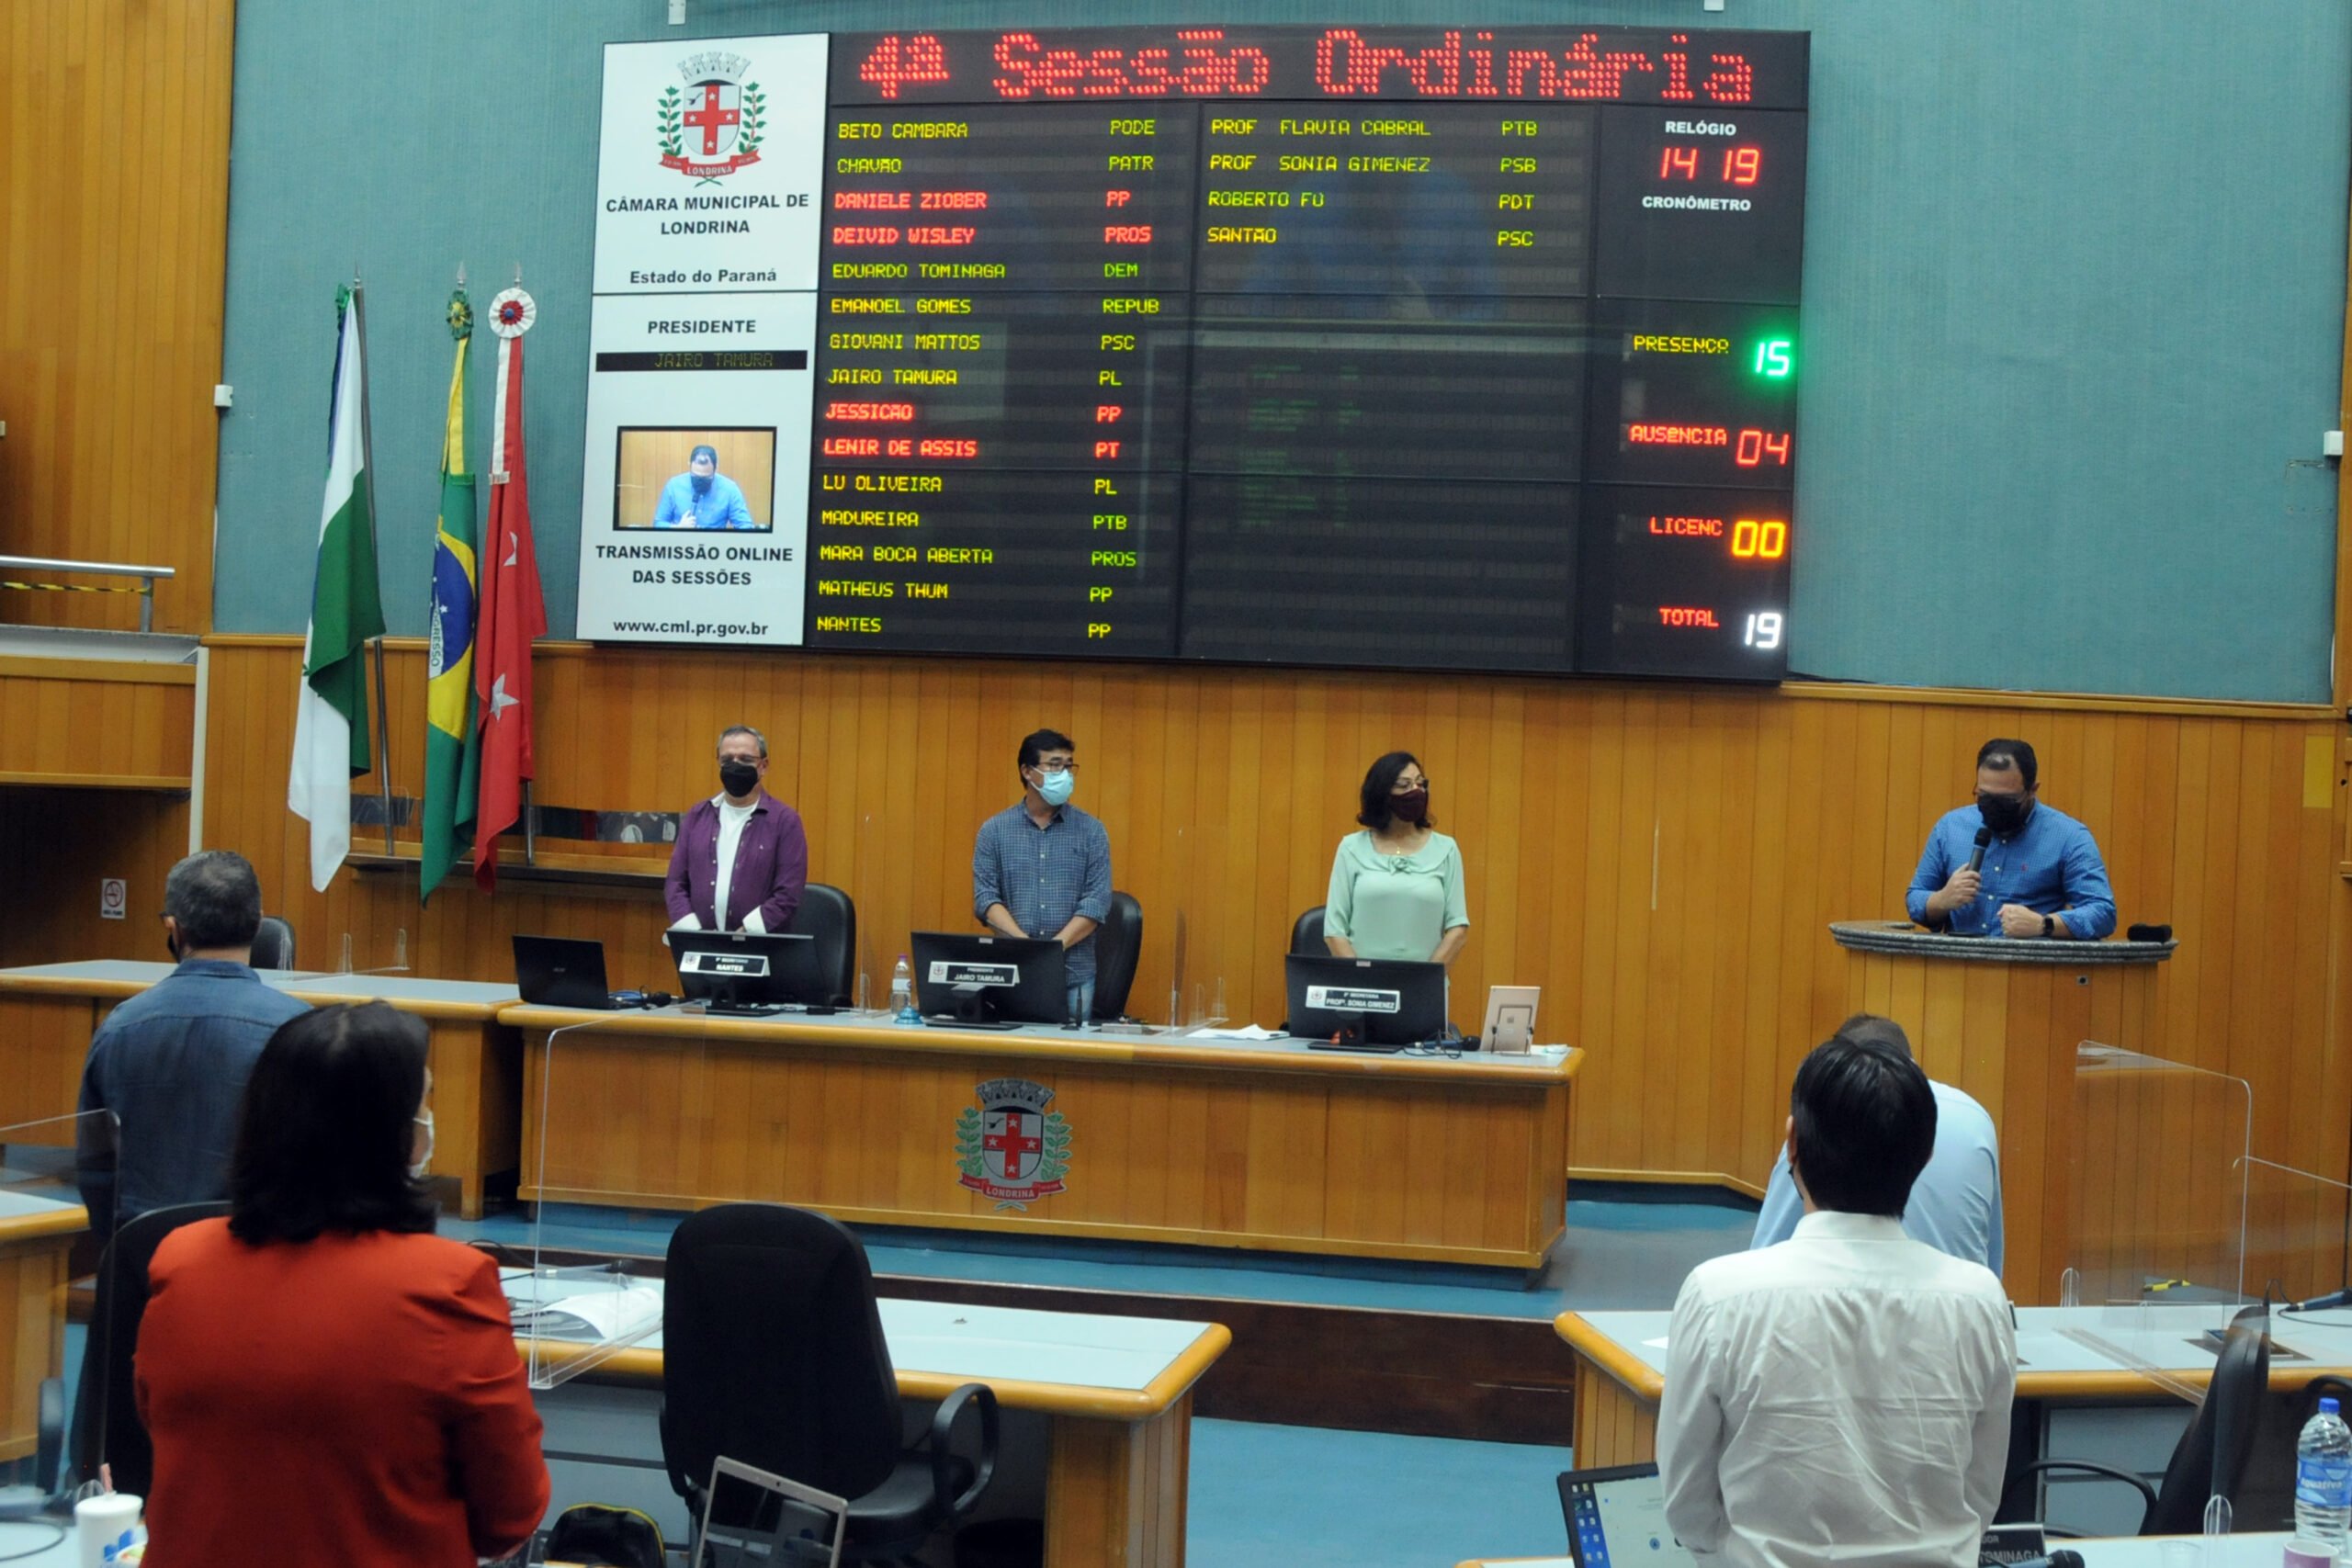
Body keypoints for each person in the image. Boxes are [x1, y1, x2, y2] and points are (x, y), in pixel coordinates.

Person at [136, 1002, 549, 1566]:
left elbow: (160, 1437)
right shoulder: (450, 1284)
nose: (429, 1118)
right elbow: (510, 1514)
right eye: (423, 1101)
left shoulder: (178, 1260)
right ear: (391, 1133)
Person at [1658, 1031, 2015, 1568]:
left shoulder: (1718, 1296)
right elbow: (1979, 1499)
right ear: (1924, 1154)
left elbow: (1687, 1511)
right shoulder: (1982, 1300)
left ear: (1792, 1146)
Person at [75, 849, 310, 1246]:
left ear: (174, 928)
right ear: (257, 922)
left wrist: (118, 1250)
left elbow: (96, 1167)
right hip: (258, 1258)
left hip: (143, 1260)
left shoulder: (118, 1027)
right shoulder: (300, 1029)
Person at [1748, 1013, 2004, 1273]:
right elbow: (1991, 1258)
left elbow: (1767, 1254)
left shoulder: (1824, 1118)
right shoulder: (1975, 1120)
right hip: (1961, 1305)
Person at [1906, 738, 2115, 940]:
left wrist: (2044, 924)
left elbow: (2103, 912)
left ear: (2032, 790)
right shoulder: (1950, 827)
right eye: (1984, 797)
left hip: (2030, 968)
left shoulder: (2068, 837)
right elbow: (1916, 898)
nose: (1994, 807)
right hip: (1958, 966)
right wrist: (1942, 900)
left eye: (2007, 800)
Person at [972, 728, 1113, 1026]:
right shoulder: (994, 831)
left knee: (1069, 1065)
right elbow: (985, 899)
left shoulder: (1092, 831)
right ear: (1027, 771)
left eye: (1068, 765)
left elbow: (1096, 902)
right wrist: (1026, 948)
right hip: (1012, 973)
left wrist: (1051, 951)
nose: (1064, 773)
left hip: (1073, 976)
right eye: (1053, 764)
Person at [1322, 751, 1469, 964]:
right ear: (1382, 793)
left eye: (1420, 784)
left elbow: (1458, 928)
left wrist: (1426, 979)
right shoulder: (1351, 848)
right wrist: (1363, 982)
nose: (1416, 791)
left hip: (1425, 984)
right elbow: (1334, 931)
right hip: (1364, 987)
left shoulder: (1446, 849)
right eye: (1404, 785)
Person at [666, 724, 808, 933]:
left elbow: (788, 893)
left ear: (764, 766)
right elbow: (675, 883)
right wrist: (694, 933)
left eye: (745, 759)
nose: (735, 765)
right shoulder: (697, 816)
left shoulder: (785, 821)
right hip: (700, 943)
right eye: (727, 760)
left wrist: (745, 934)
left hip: (759, 947)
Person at [651, 443, 756, 530]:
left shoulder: (729, 489)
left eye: (706, 478)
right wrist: (678, 527)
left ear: (716, 468)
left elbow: (745, 525)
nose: (700, 482)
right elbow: (658, 523)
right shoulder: (674, 486)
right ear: (689, 465)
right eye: (695, 476)